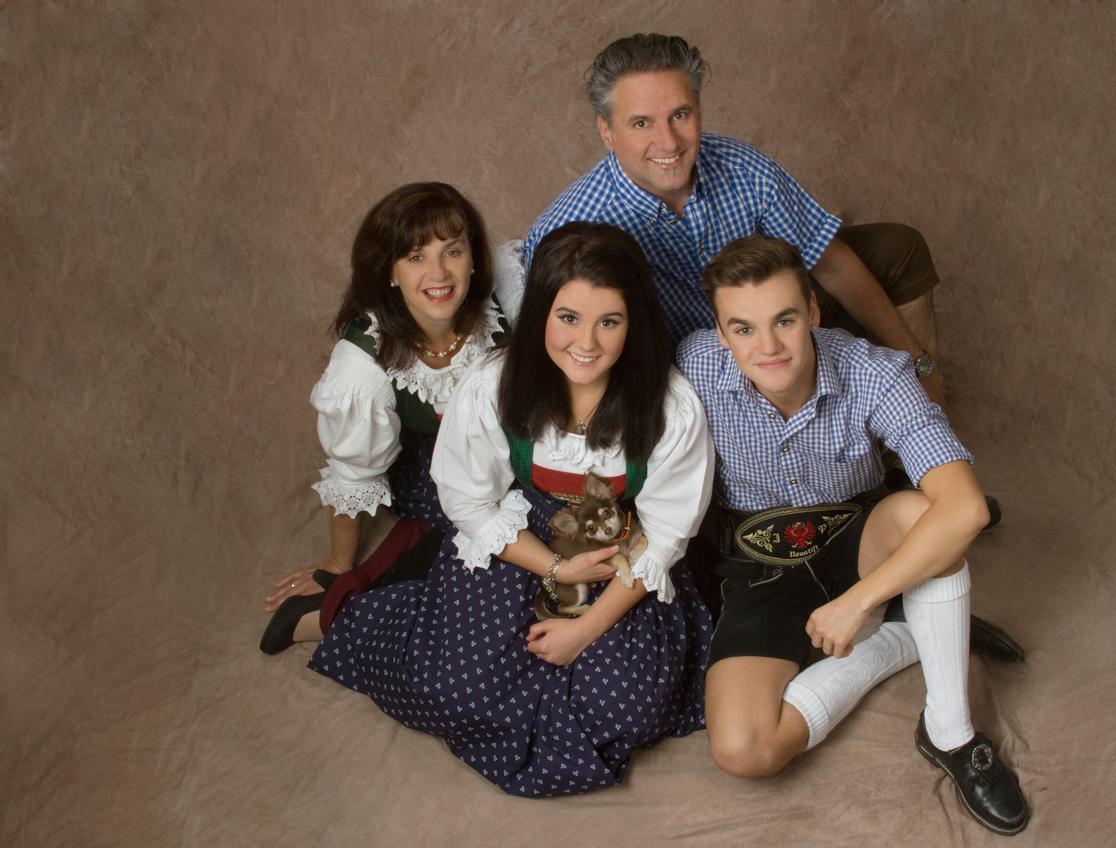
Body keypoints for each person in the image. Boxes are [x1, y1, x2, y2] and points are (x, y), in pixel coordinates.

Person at [308, 222, 716, 797]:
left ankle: (578, 654)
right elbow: (471, 503)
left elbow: (667, 533)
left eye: (610, 321)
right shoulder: (495, 385)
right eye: (568, 318)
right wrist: (554, 568)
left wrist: (589, 627)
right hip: (525, 540)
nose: (587, 343)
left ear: (636, 321)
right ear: (541, 312)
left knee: (631, 711)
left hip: (621, 556)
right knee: (457, 689)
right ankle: (348, 611)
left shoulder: (671, 405)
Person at [678, 235, 1028, 835]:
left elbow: (966, 508)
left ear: (813, 311)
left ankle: (949, 731)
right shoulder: (694, 365)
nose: (768, 347)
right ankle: (908, 635)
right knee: (745, 749)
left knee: (928, 515)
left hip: (859, 536)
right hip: (758, 561)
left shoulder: (876, 372)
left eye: (785, 320)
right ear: (719, 333)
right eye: (743, 328)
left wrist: (856, 602)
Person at [523, 33, 945, 407]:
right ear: (607, 131)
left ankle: (905, 434)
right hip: (674, 373)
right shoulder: (570, 229)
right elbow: (565, 353)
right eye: (641, 123)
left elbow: (829, 261)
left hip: (769, 321)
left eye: (680, 114)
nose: (668, 141)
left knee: (897, 248)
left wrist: (920, 368)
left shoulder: (742, 166)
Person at [260, 182, 506, 653]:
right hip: (437, 483)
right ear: (390, 270)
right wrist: (338, 565)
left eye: (452, 251)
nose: (438, 272)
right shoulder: (364, 357)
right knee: (485, 588)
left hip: (511, 467)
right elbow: (354, 469)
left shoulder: (507, 302)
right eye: (415, 257)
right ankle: (334, 617)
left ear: (473, 257)